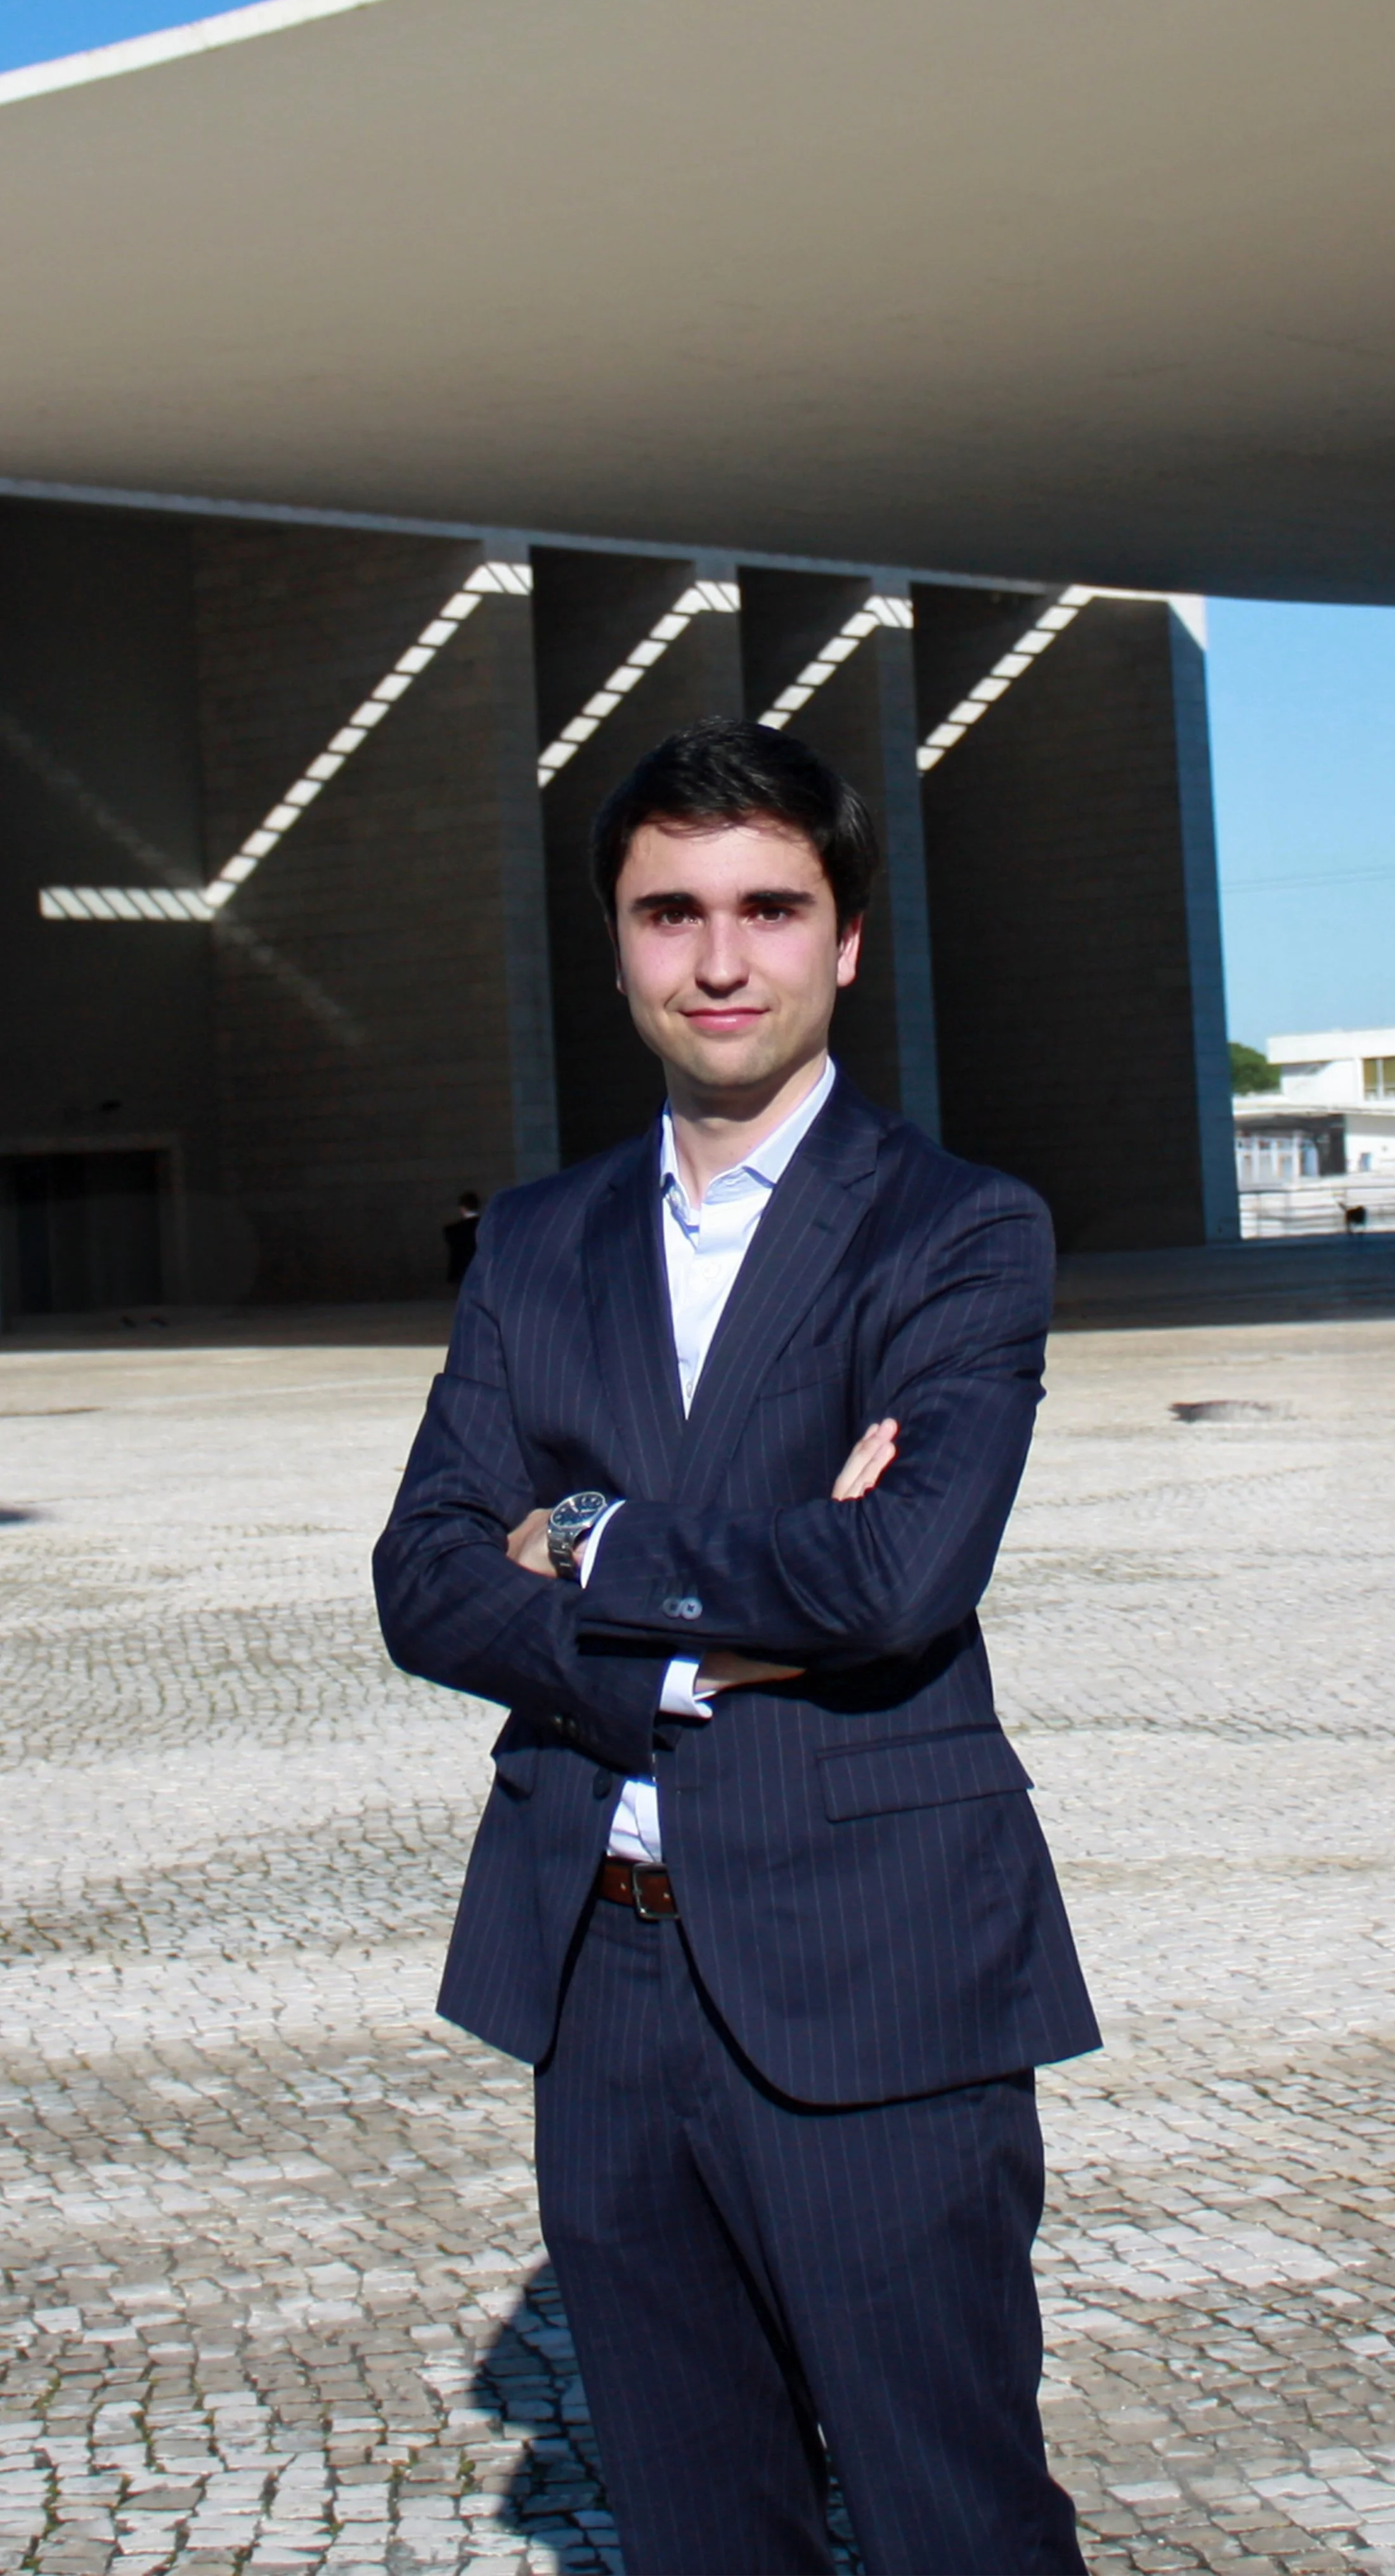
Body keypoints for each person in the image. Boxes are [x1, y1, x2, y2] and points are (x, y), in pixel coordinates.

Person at [373, 718, 1100, 2576]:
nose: (717, 958)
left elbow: (892, 1579)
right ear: (615, 944)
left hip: (875, 1972)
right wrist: (687, 1641)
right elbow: (427, 1577)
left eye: (768, 907)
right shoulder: (531, 1246)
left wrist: (589, 1534)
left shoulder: (954, 1232)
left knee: (950, 2518)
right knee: (696, 2533)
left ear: (846, 937)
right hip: (596, 1982)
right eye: (668, 911)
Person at [443, 1189, 483, 1285]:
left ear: (462, 1208)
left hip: (462, 1273)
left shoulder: (452, 1231)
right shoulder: (487, 1227)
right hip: (483, 1271)